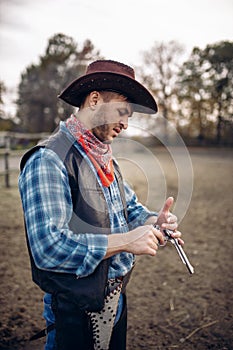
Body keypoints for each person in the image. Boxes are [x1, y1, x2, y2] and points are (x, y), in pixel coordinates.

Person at [18, 60, 183, 350]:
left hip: (115, 299)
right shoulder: (49, 159)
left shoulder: (106, 159)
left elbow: (129, 210)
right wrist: (126, 241)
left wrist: (155, 223)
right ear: (94, 99)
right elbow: (49, 248)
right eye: (122, 111)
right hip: (73, 307)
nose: (126, 124)